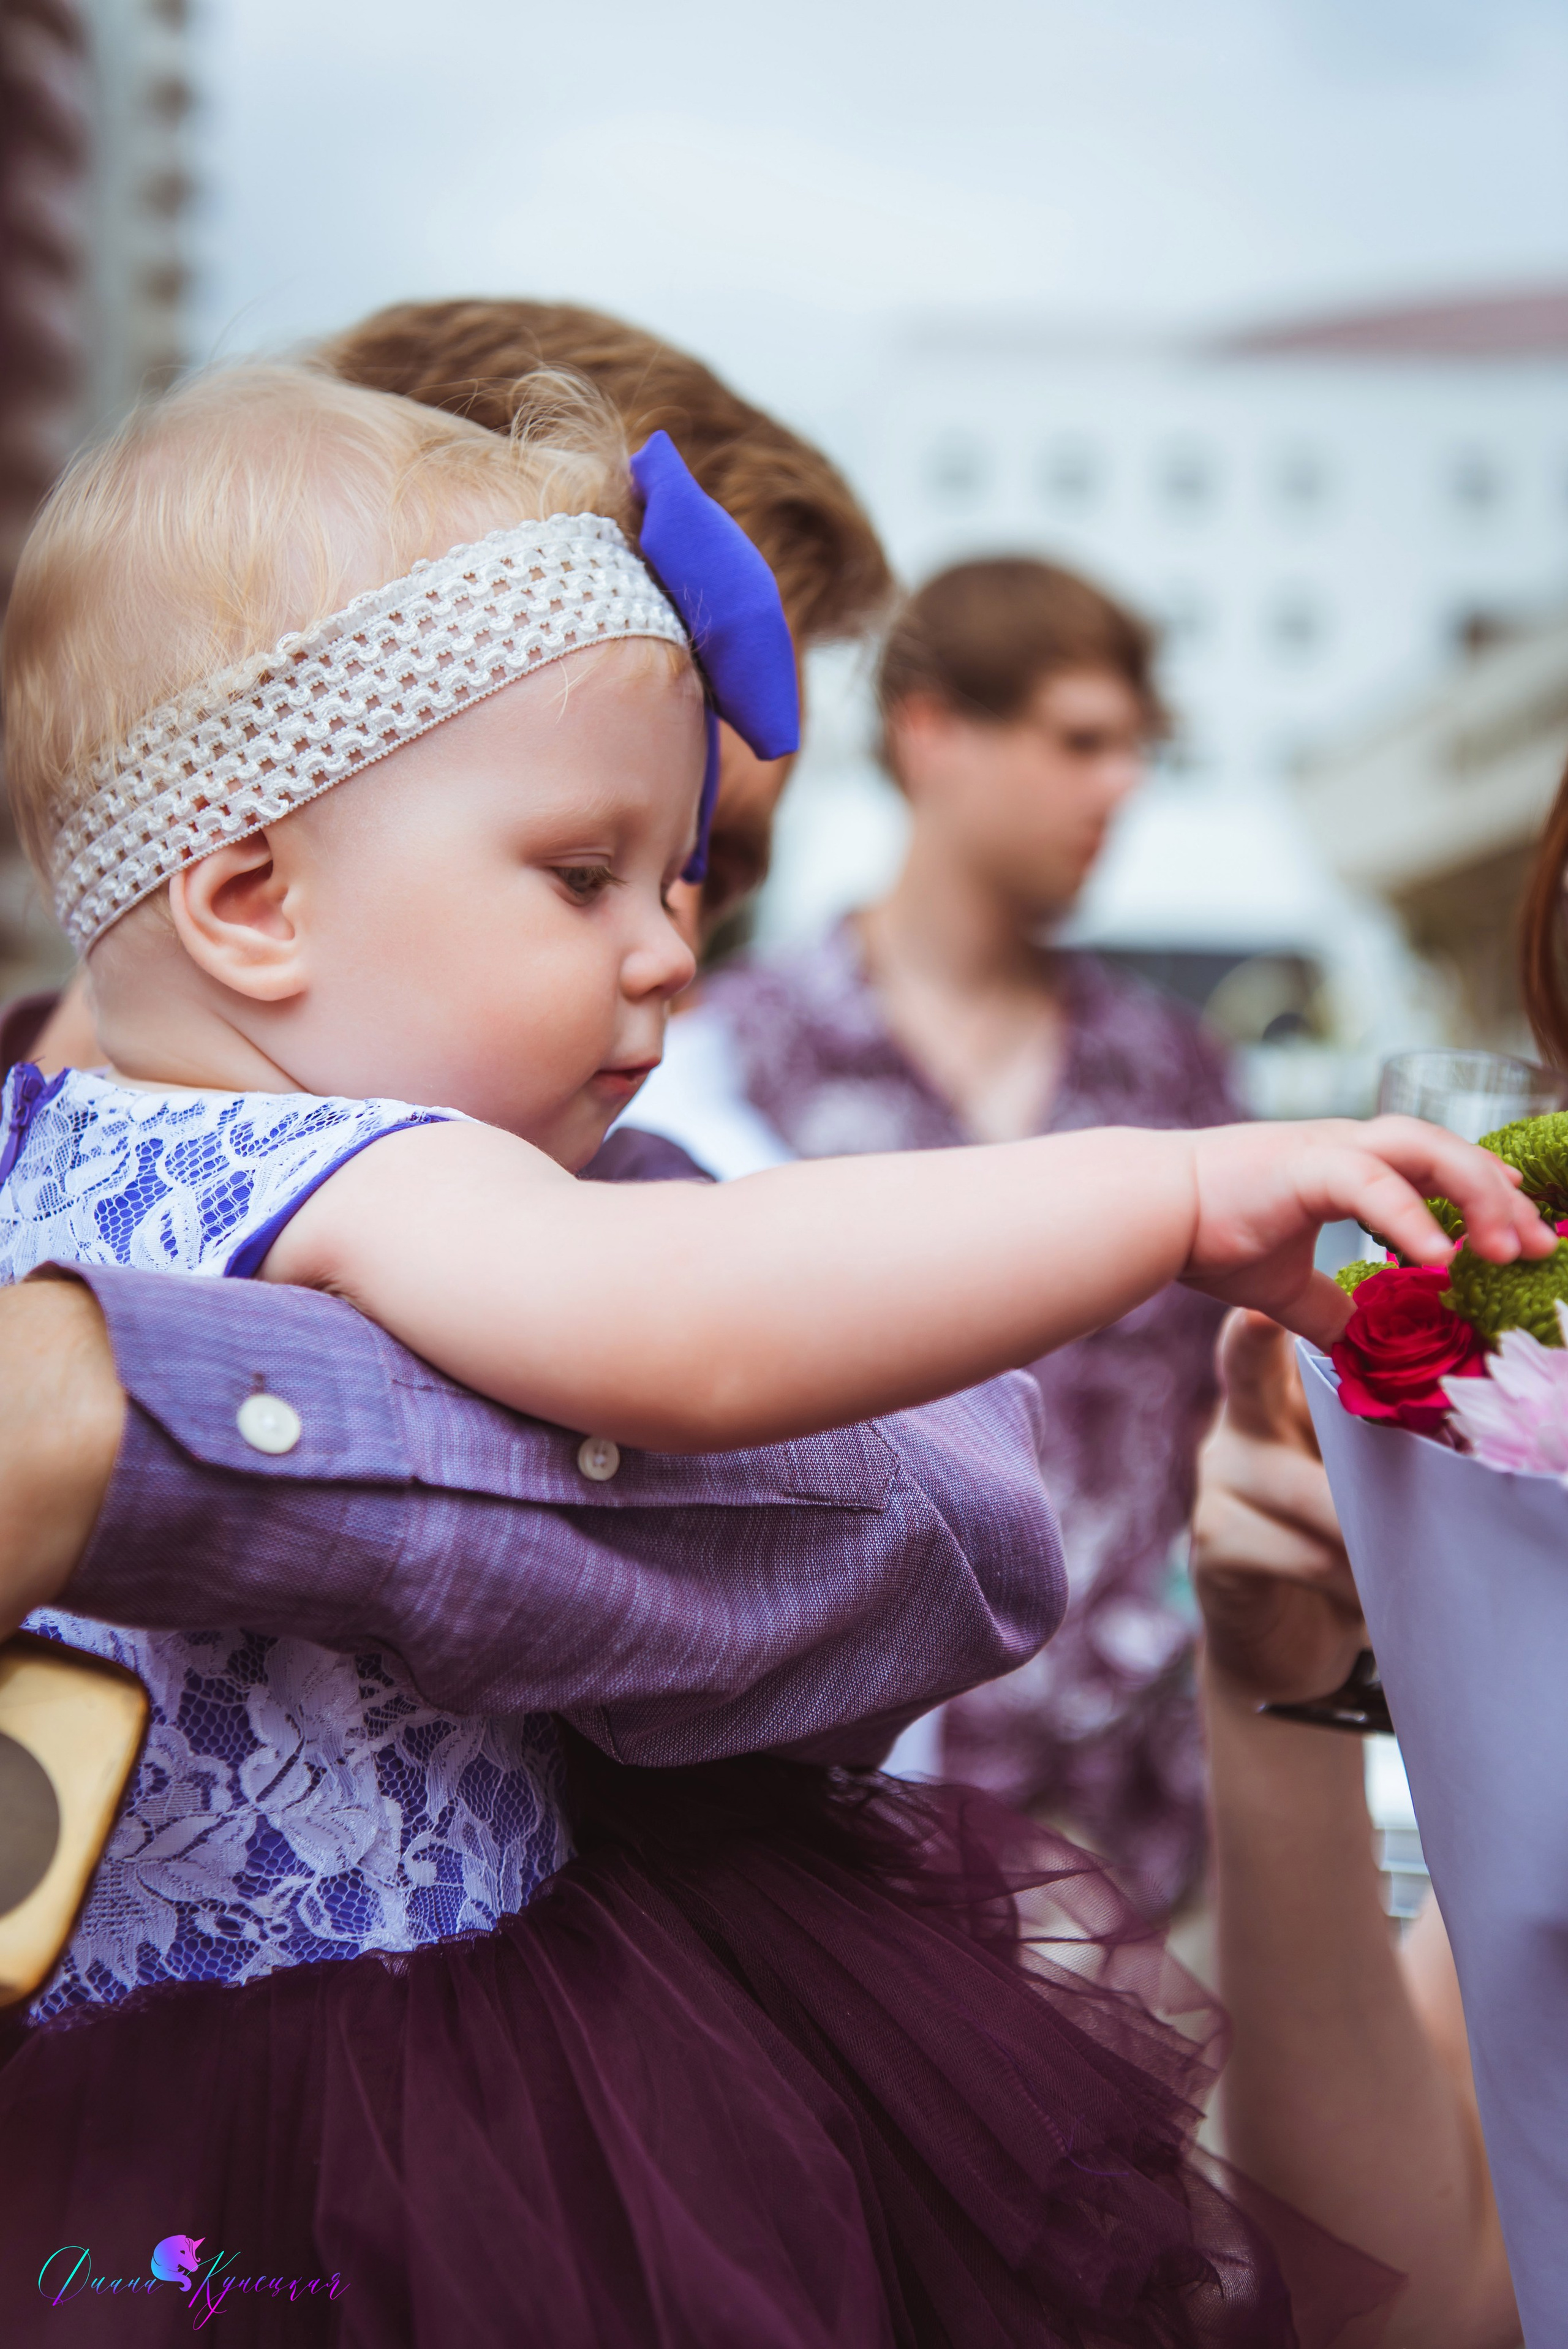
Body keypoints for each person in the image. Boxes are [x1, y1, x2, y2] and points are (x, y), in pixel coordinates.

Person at [2, 361, 1534, 2342]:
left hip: (115, 2178)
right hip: (407, 2126)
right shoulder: (359, 1162)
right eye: (583, 874)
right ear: (249, 898)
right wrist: (1168, 1195)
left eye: (684, 881)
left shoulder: (49, 1154)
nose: (667, 950)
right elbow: (698, 1318)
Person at [701, 556, 1239, 1908]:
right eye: (1077, 740)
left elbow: (1224, 1425)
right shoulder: (738, 1056)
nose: (1119, 784)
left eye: (1133, 748)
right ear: (929, 732)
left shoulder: (1174, 1074)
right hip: (810, 1818)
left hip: (1133, 1837)